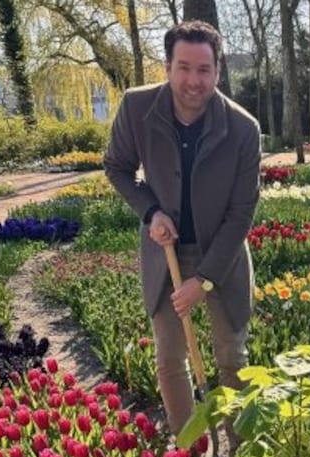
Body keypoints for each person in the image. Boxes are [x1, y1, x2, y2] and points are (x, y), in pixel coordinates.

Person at [103, 20, 260, 436]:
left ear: (218, 70)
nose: (194, 80)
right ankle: (186, 449)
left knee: (231, 357)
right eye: (184, 67)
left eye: (204, 69)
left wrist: (204, 280)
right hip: (165, 252)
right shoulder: (137, 108)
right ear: (168, 66)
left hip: (220, 258)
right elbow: (117, 167)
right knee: (170, 357)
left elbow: (241, 213)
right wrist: (151, 211)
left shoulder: (243, 129)